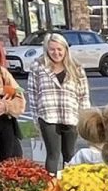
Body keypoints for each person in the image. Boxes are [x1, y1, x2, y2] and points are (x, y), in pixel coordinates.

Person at [25, 32, 90, 173]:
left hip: (71, 117)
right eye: (52, 49)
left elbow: (83, 96)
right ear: (47, 50)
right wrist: (36, 118)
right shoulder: (38, 66)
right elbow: (33, 94)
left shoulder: (76, 68)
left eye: (59, 49)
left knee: (69, 155)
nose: (56, 53)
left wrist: (84, 117)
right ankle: (51, 188)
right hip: (48, 116)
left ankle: (70, 187)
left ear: (66, 49)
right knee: (53, 154)